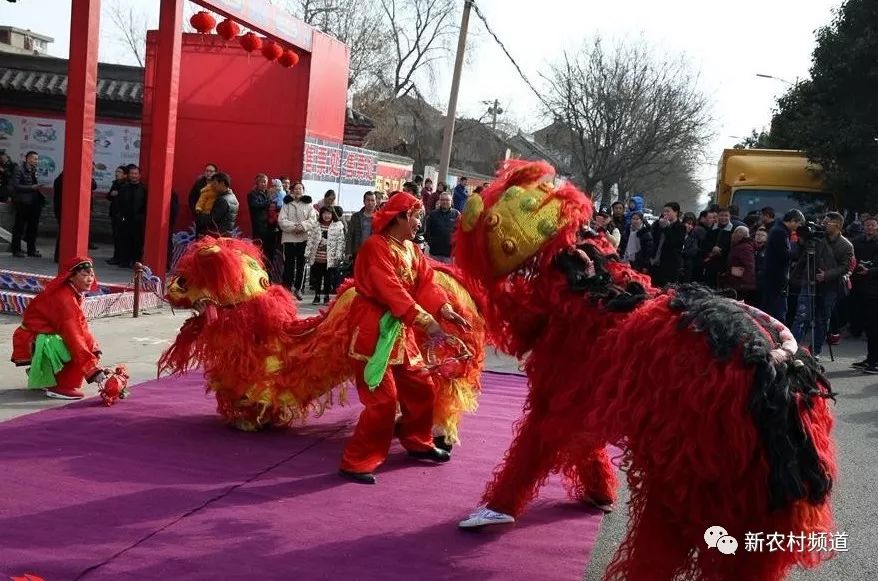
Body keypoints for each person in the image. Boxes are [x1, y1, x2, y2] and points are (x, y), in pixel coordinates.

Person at [339, 191, 470, 485]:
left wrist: (445, 309)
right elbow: (390, 290)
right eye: (416, 216)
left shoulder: (411, 249)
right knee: (384, 399)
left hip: (400, 330)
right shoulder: (375, 247)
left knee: (421, 386)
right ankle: (357, 461)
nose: (418, 222)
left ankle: (417, 439)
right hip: (373, 328)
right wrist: (425, 319)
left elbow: (426, 283)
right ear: (399, 217)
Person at [11, 257, 107, 400]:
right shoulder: (64, 299)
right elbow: (73, 335)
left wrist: (93, 351)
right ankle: (61, 386)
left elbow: (81, 326)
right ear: (71, 277)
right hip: (33, 338)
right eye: (84, 275)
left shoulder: (73, 292)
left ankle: (46, 376)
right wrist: (91, 368)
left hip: (43, 334)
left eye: (91, 275)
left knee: (91, 346)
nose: (89, 279)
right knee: (76, 347)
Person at [789, 211, 853, 358]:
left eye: (826, 223)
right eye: (822, 222)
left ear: (837, 225)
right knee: (801, 316)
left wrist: (826, 275)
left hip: (830, 287)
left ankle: (815, 351)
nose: (822, 225)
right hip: (809, 281)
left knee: (822, 319)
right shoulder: (815, 238)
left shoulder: (846, 245)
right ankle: (792, 350)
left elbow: (845, 267)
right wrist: (801, 242)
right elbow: (799, 256)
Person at [763, 209, 805, 323]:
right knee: (777, 312)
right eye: (798, 224)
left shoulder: (779, 230)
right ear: (792, 221)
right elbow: (784, 255)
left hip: (775, 277)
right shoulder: (780, 232)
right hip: (776, 278)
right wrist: (800, 247)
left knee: (778, 309)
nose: (798, 227)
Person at [851, 215, 878, 374]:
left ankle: (876, 361)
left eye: (873, 225)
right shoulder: (858, 242)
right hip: (861, 290)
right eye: (867, 225)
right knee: (868, 327)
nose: (869, 228)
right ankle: (870, 358)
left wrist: (870, 270)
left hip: (875, 291)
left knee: (875, 327)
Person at [279, 182, 315, 299]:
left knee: (301, 265)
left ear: (303, 191)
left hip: (303, 239)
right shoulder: (287, 204)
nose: (298, 190)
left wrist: (303, 226)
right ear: (292, 191)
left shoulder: (309, 205)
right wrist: (295, 227)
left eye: (300, 188)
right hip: (289, 239)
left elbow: (313, 220)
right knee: (289, 265)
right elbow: (281, 221)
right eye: (296, 188)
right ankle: (287, 289)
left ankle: (299, 289)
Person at [52, 171, 97, 263]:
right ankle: (61, 255)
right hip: (64, 210)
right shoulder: (63, 180)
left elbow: (93, 185)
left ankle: (63, 256)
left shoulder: (64, 179)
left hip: (69, 209)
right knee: (64, 233)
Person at [306, 206, 346, 304]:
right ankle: (317, 296)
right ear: (321, 214)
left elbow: (340, 242)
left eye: (329, 213)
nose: (327, 216)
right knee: (318, 278)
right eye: (324, 213)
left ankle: (326, 296)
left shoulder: (338, 226)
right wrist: (307, 253)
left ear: (332, 215)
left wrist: (339, 255)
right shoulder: (316, 225)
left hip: (330, 258)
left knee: (328, 278)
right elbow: (311, 240)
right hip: (318, 257)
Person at [10, 151, 45, 258]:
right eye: (34, 159)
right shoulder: (19, 169)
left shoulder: (35, 170)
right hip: (23, 202)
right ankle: (16, 250)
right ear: (28, 159)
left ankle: (31, 250)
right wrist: (31, 187)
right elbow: (16, 186)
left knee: (33, 227)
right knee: (19, 227)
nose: (36, 161)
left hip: (34, 202)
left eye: (37, 159)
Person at [117, 164, 148, 268]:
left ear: (139, 175)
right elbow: (119, 203)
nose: (134, 176)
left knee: (138, 242)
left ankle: (136, 262)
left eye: (136, 174)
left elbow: (146, 205)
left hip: (139, 221)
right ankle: (124, 261)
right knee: (125, 240)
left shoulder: (144, 189)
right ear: (129, 175)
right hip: (125, 220)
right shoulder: (124, 188)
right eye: (132, 173)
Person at [649, 202, 686, 286]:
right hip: (655, 262)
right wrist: (659, 226)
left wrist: (667, 228)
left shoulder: (680, 227)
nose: (665, 214)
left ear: (676, 212)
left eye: (668, 211)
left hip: (670, 265)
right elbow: (653, 239)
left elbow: (674, 243)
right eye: (664, 211)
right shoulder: (659, 224)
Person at [247, 173, 277, 267]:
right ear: (257, 183)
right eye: (262, 182)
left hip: (270, 227)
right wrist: (269, 201)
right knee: (259, 251)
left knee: (270, 252)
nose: (264, 184)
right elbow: (255, 205)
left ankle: (269, 272)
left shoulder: (268, 193)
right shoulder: (252, 194)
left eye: (266, 182)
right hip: (259, 227)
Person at [424, 191, 460, 263]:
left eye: (447, 200)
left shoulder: (456, 214)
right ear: (439, 201)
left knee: (447, 274)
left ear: (451, 201)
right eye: (442, 200)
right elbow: (427, 230)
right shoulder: (433, 214)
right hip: (435, 252)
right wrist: (430, 242)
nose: (445, 202)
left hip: (449, 253)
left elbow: (459, 232)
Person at [202, 172, 238, 237]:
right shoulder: (233, 197)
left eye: (215, 184)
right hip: (227, 234)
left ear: (222, 183)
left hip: (219, 235)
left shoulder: (223, 200)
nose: (213, 186)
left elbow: (213, 219)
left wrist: (201, 216)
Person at [346, 191, 377, 265]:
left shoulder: (380, 217)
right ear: (364, 201)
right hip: (358, 252)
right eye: (368, 200)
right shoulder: (356, 216)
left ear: (376, 202)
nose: (370, 203)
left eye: (372, 200)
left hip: (373, 253)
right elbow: (350, 235)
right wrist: (348, 252)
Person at [106, 166, 128, 264]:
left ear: (125, 175)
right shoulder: (115, 183)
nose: (116, 173)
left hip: (122, 214)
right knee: (115, 236)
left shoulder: (126, 185)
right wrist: (112, 194)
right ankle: (115, 256)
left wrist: (119, 193)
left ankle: (120, 257)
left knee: (121, 237)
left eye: (119, 172)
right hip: (114, 213)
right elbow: (108, 196)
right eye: (116, 171)